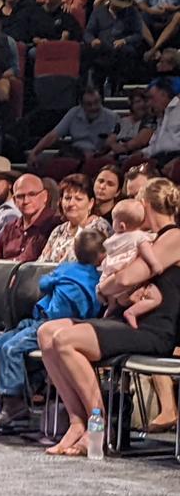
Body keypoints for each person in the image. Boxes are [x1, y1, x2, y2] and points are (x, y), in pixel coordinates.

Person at [40, 178, 180, 455]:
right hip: (123, 319)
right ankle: (77, 423)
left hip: (151, 328)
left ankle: (98, 426)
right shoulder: (142, 237)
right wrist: (111, 285)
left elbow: (129, 276)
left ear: (143, 204)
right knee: (46, 333)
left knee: (66, 340)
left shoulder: (173, 236)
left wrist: (105, 286)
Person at [0, 229, 105, 430]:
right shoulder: (99, 278)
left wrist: (55, 282)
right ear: (102, 256)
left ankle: (14, 401)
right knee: (7, 337)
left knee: (11, 348)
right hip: (62, 323)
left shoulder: (66, 269)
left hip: (51, 324)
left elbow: (43, 283)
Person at [98, 199, 163, 326]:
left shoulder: (112, 240)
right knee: (156, 298)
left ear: (121, 225)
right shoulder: (138, 236)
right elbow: (146, 250)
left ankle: (110, 308)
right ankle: (132, 312)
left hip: (110, 278)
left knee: (113, 302)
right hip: (129, 284)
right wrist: (154, 264)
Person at [29, 88, 119, 163]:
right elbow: (53, 136)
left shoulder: (112, 117)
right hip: (75, 155)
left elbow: (116, 145)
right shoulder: (73, 113)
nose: (93, 107)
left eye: (96, 102)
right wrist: (34, 152)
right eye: (89, 104)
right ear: (81, 104)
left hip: (99, 156)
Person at [39, 174, 111, 263]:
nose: (71, 203)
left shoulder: (99, 227)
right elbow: (40, 264)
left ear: (90, 203)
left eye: (78, 199)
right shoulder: (58, 231)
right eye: (67, 198)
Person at [0, 173, 58, 262]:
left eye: (32, 194)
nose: (26, 201)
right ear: (14, 201)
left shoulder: (56, 226)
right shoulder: (9, 229)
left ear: (45, 196)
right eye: (20, 196)